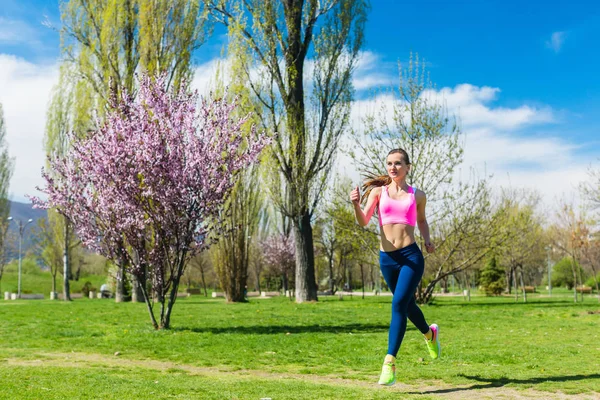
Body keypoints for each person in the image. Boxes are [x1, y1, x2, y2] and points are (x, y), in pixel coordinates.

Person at [350, 148, 441, 386]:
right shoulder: (379, 193)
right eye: (389, 163)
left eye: (398, 163)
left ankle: (389, 362)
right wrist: (356, 205)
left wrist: (428, 239)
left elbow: (421, 220)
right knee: (407, 304)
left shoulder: (417, 195)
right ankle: (430, 334)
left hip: (411, 256)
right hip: (387, 259)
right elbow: (364, 221)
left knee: (399, 303)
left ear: (408, 167)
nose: (393, 167)